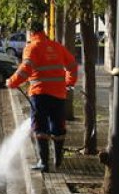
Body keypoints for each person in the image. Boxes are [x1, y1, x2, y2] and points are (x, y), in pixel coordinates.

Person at [7, 21, 79, 172]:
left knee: (40, 127)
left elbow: (25, 69)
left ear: (31, 33)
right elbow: (72, 64)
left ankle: (44, 163)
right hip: (59, 93)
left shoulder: (32, 47)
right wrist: (69, 82)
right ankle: (58, 160)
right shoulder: (57, 46)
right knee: (58, 126)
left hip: (40, 94)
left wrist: (12, 82)